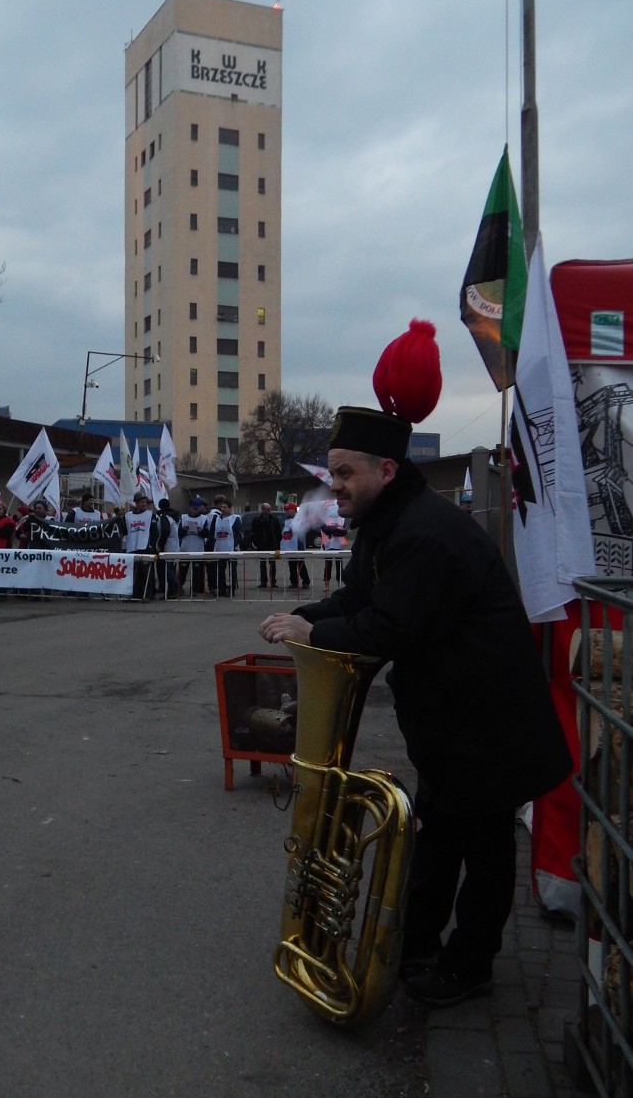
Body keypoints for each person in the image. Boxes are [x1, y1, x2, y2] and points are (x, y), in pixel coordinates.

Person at [258, 319, 572, 1009]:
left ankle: (467, 967)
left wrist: (315, 634)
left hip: (486, 728)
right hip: (457, 724)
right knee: (436, 843)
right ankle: (418, 948)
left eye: (344, 474)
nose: (333, 486)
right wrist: (312, 617)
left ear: (386, 471)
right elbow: (360, 598)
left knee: (481, 851)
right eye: (333, 472)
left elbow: (387, 626)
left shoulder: (423, 534)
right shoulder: (390, 524)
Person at [124, 492, 159, 600]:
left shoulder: (150, 515)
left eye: (145, 502)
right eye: (142, 502)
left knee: (147, 572)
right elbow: (125, 531)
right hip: (132, 547)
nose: (144, 504)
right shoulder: (128, 516)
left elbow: (155, 532)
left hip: (145, 547)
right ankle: (135, 594)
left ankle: (148, 594)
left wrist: (152, 546)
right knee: (134, 573)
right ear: (136, 503)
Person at [206, 495, 242, 596]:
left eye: (225, 507)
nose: (223, 509)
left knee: (232, 570)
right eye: (222, 507)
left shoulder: (235, 519)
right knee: (220, 570)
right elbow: (212, 533)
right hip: (219, 548)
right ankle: (222, 588)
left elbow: (240, 534)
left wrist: (234, 544)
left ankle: (232, 589)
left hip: (231, 549)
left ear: (230, 508)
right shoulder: (216, 519)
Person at [178, 496, 209, 596]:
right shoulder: (183, 518)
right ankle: (179, 587)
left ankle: (195, 589)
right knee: (182, 570)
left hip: (198, 548)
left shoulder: (204, 519)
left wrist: (201, 531)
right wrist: (184, 529)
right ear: (190, 507)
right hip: (185, 547)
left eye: (197, 508)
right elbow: (179, 533)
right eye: (193, 508)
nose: (195, 510)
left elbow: (207, 533)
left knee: (197, 571)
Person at [249, 502, 282, 588]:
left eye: (270, 509)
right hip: (261, 545)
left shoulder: (274, 519)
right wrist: (256, 542)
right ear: (263, 510)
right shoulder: (257, 520)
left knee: (273, 564)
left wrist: (278, 543)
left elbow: (278, 532)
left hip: (272, 544)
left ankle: (273, 581)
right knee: (262, 564)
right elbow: (253, 532)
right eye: (267, 509)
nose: (269, 511)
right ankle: (263, 581)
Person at [279, 504, 310, 590]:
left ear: (293, 510)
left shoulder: (299, 520)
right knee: (292, 565)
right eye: (286, 510)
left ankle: (305, 582)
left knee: (300, 565)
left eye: (288, 509)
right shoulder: (287, 521)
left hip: (297, 546)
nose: (287, 511)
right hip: (289, 547)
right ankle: (294, 582)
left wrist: (300, 546)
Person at [320, 498, 348, 589]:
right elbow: (325, 529)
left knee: (339, 566)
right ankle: (326, 584)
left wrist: (332, 530)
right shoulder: (325, 518)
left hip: (339, 546)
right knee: (328, 566)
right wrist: (336, 529)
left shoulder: (342, 518)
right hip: (328, 545)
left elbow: (344, 532)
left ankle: (339, 584)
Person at [156, 498, 180, 599]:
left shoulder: (164, 517)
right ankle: (172, 590)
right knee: (172, 569)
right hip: (175, 545)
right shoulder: (175, 516)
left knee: (168, 570)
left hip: (168, 546)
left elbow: (165, 531)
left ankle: (173, 590)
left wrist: (160, 545)